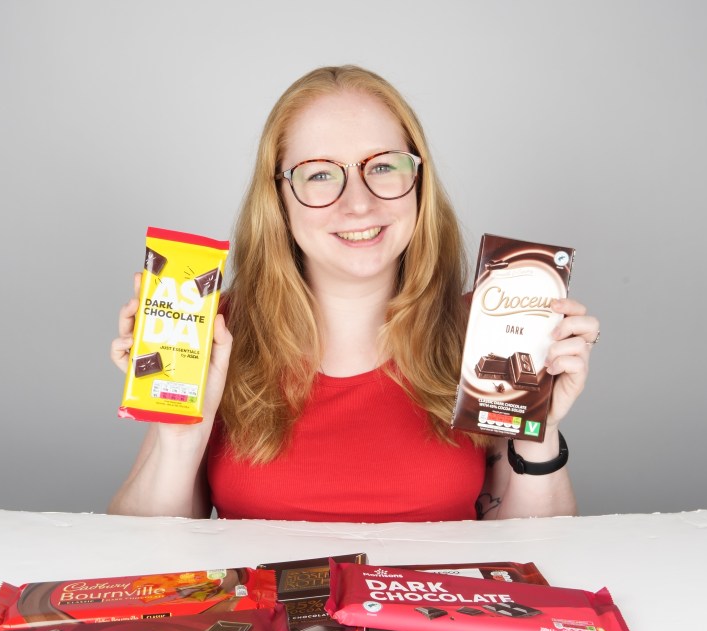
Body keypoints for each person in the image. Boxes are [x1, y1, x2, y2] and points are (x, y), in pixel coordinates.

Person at [109, 65, 599, 522]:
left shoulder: (491, 331)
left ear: (418, 183)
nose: (359, 203)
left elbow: (533, 566)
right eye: (320, 174)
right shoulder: (213, 333)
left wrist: (539, 431)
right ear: (277, 197)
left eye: (383, 167)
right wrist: (177, 435)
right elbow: (145, 564)